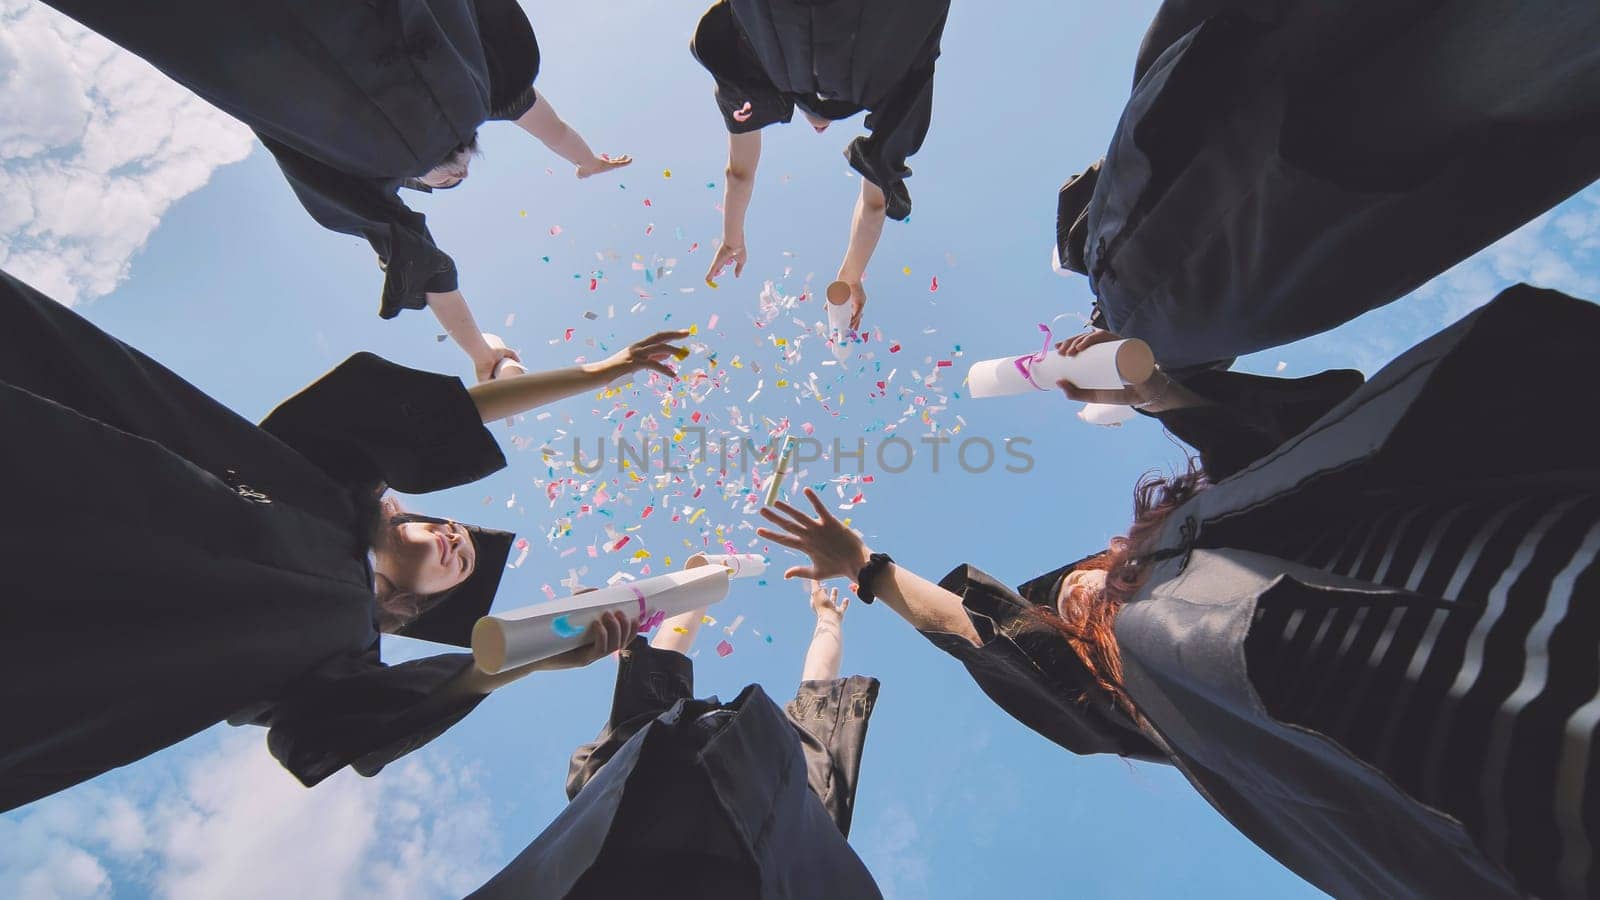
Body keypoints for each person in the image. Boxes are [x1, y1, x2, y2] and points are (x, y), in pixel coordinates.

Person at [757, 284, 1600, 899]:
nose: (1081, 585)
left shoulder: (1256, 513)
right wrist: (869, 571)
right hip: (1525, 789)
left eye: (1094, 574)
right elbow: (992, 634)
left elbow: (1284, 441)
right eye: (1080, 594)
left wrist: (1153, 388)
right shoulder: (1158, 687)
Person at [0, 267, 688, 812]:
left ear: (422, 609)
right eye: (447, 525)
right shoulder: (321, 477)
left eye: (462, 561)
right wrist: (599, 374)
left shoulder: (341, 656)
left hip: (58, 644)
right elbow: (441, 415)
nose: (455, 536)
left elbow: (355, 726)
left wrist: (526, 658)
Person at [40, 0, 631, 380]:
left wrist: (480, 352)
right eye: (459, 176)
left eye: (439, 187)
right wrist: (586, 160)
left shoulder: (362, 173)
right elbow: (542, 118)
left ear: (414, 183)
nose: (452, 179)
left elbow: (429, 270)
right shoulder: (474, 89)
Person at [1052, 0, 1600, 371]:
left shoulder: (1110, 249)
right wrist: (1141, 376)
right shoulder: (1165, 336)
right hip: (1375, 163)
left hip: (1284, 85)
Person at [469, 581, 882, 898]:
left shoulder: (798, 793)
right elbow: (663, 667)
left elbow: (818, 695)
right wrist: (697, 588)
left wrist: (829, 619)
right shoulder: (636, 759)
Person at [691, 0, 950, 331]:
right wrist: (731, 237)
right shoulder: (760, 55)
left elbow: (874, 203)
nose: (819, 128)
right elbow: (739, 174)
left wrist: (850, 275)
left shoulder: (889, 79)